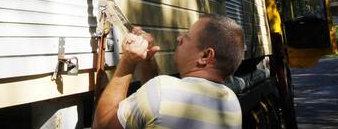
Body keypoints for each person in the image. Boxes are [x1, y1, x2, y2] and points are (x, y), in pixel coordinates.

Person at [93, 14, 245, 129]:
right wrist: (147, 61)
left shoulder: (161, 91)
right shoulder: (232, 103)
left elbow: (102, 124)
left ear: (205, 56)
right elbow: (152, 113)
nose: (179, 38)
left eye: (186, 37)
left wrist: (127, 62)